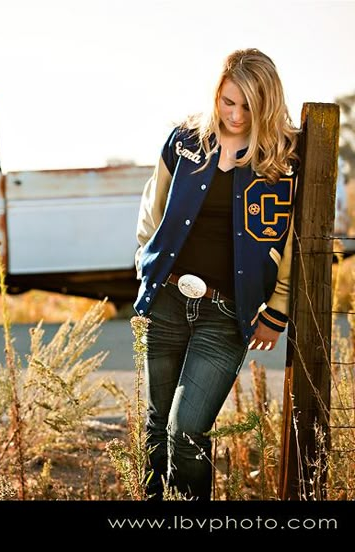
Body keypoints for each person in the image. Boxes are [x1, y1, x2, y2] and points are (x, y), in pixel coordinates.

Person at [134, 48, 299, 500]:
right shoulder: (185, 140)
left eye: (248, 105)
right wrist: (145, 271)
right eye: (228, 101)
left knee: (185, 431)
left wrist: (278, 309)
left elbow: (289, 244)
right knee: (155, 425)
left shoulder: (284, 160)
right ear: (217, 94)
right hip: (167, 302)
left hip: (225, 315)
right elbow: (152, 211)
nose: (236, 114)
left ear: (267, 103)